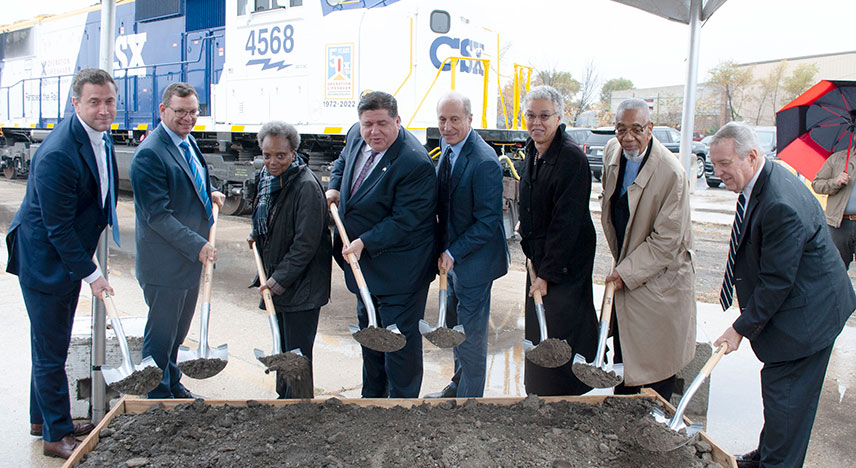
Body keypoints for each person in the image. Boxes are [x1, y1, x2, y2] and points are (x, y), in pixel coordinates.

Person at [709, 122, 855, 468]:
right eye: (714, 164)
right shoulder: (762, 180)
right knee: (782, 398)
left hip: (809, 318)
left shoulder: (780, 203)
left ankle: (777, 462)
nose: (718, 173)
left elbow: (777, 282)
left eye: (725, 164)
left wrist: (740, 328)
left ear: (752, 157)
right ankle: (768, 454)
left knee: (787, 399)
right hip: (799, 305)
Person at [5, 68, 119, 459]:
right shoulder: (58, 153)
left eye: (109, 101)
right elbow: (57, 227)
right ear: (75, 103)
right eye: (94, 102)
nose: (104, 109)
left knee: (48, 342)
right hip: (45, 261)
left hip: (62, 257)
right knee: (52, 350)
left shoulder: (94, 136)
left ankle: (43, 420)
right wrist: (93, 275)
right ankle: (56, 436)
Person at [326, 91, 437, 398]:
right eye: (367, 124)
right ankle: (372, 401)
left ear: (398, 121)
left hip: (400, 270)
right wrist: (335, 187)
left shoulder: (414, 162)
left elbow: (407, 220)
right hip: (364, 267)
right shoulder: (355, 135)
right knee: (371, 338)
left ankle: (402, 407)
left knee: (399, 345)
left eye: (382, 124)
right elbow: (342, 162)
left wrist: (365, 241)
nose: (373, 131)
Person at [130, 82, 225, 399]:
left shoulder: (187, 142)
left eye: (193, 112)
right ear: (162, 110)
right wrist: (197, 245)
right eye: (180, 112)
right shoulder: (149, 155)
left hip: (187, 261)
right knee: (160, 334)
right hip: (165, 265)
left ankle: (171, 384)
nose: (188, 118)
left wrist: (207, 193)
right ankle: (156, 396)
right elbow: (157, 215)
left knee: (177, 333)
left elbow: (191, 179)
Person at [600, 99, 696, 401]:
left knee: (656, 365)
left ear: (650, 129)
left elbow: (666, 242)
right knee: (625, 359)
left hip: (660, 282)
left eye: (636, 130)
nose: (628, 137)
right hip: (629, 270)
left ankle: (655, 429)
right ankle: (620, 425)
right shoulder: (613, 153)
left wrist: (623, 273)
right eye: (621, 129)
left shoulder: (671, 173)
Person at [423, 91, 508, 398]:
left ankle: (469, 402)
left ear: (470, 119)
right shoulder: (449, 151)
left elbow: (487, 222)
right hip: (456, 260)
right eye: (442, 119)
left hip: (475, 264)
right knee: (456, 329)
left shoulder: (483, 161)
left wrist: (452, 252)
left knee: (470, 337)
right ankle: (458, 386)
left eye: (454, 119)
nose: (447, 127)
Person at [517, 85, 598, 396]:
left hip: (564, 266)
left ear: (559, 117)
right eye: (531, 115)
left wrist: (548, 274)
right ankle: (538, 393)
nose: (537, 122)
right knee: (539, 329)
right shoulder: (533, 150)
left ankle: (565, 397)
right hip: (540, 259)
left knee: (562, 331)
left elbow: (568, 223)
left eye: (544, 116)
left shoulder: (571, 159)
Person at [248, 121, 331, 399]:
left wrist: (276, 281)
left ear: (294, 153)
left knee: (297, 357)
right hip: (282, 282)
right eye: (267, 154)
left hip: (303, 289)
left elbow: (305, 245)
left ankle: (299, 409)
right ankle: (284, 403)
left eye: (280, 155)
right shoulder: (267, 178)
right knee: (283, 351)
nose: (272, 162)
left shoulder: (306, 186)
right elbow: (269, 219)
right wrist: (255, 234)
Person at [811, 149, 856, 269]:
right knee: (835, 269)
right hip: (838, 224)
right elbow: (817, 184)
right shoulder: (837, 159)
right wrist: (835, 182)